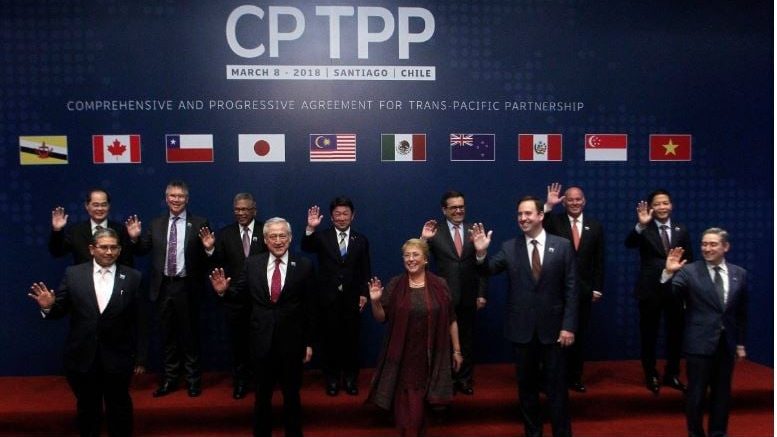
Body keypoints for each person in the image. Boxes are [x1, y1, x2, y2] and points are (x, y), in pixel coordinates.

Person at [472, 196, 577, 437]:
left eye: (528, 213)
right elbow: (488, 269)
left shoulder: (562, 245)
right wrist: (481, 253)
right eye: (520, 214)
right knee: (527, 389)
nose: (523, 218)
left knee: (557, 389)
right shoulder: (510, 247)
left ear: (540, 215)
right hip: (521, 331)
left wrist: (569, 326)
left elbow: (571, 289)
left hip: (555, 331)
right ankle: (533, 433)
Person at [29, 228, 144, 437]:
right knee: (88, 408)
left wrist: (140, 358)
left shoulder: (133, 277)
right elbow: (60, 310)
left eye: (114, 248)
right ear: (92, 249)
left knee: (119, 407)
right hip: (82, 356)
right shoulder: (73, 274)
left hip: (118, 357)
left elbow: (139, 320)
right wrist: (48, 307)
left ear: (120, 250)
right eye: (104, 247)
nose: (109, 252)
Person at [210, 217, 315, 437]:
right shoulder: (253, 264)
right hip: (261, 342)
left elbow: (310, 307)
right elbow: (238, 295)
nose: (278, 240)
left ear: (290, 238)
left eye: (282, 235)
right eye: (273, 236)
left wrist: (308, 342)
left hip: (292, 343)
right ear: (265, 240)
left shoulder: (304, 265)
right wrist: (223, 292)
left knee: (292, 396)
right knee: (262, 396)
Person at [367, 238, 463, 437]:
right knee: (408, 410)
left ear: (425, 259)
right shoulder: (395, 284)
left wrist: (457, 350)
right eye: (407, 255)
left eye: (415, 255)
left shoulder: (440, 285)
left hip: (431, 356)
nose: (410, 259)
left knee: (422, 412)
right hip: (403, 357)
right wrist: (375, 302)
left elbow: (451, 319)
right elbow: (381, 318)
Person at [125, 180, 213, 397]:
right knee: (167, 337)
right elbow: (142, 250)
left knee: (190, 337)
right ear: (166, 199)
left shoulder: (200, 222)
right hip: (163, 287)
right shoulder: (156, 224)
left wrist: (209, 249)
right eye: (172, 196)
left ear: (187, 199)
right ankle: (170, 380)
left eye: (180, 196)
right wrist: (134, 239)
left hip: (187, 287)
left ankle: (193, 381)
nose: (176, 200)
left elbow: (207, 259)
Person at [662, 228, 747, 437]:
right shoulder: (689, 271)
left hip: (725, 344)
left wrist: (740, 344)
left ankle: (718, 433)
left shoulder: (739, 274)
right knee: (696, 394)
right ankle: (695, 434)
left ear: (725, 247)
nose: (707, 248)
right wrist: (668, 274)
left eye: (713, 244)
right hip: (699, 343)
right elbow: (671, 299)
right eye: (704, 244)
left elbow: (741, 313)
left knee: (722, 394)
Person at [625, 189, 693, 394]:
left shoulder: (682, 230)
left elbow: (689, 260)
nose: (662, 207)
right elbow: (629, 243)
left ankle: (672, 374)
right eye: (657, 204)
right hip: (650, 289)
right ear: (651, 208)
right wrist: (640, 225)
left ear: (671, 205)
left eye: (665, 203)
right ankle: (651, 374)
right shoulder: (645, 228)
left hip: (675, 290)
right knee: (649, 334)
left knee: (675, 334)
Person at [301, 197, 372, 396]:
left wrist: (364, 293)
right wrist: (310, 227)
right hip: (327, 299)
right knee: (329, 341)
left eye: (345, 213)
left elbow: (365, 269)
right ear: (331, 217)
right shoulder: (322, 237)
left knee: (351, 342)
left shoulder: (361, 240)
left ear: (353, 215)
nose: (341, 218)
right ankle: (331, 379)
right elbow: (306, 246)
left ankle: (350, 379)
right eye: (337, 214)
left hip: (352, 299)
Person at [420, 190, 488, 395]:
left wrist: (481, 293)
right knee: (443, 341)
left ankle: (464, 379)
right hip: (443, 296)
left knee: (467, 339)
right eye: (454, 207)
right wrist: (423, 239)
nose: (459, 210)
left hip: (469, 296)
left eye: (461, 206)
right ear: (444, 210)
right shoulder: (435, 231)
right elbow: (418, 259)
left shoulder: (474, 230)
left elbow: (482, 266)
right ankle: (446, 380)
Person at [542, 183, 604, 393]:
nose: (575, 203)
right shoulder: (554, 221)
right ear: (564, 202)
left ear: (584, 201)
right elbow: (537, 225)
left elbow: (599, 260)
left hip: (584, 291)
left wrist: (597, 287)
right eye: (570, 199)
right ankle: (552, 378)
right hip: (556, 290)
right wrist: (548, 207)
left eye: (578, 199)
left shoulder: (595, 226)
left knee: (579, 335)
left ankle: (575, 377)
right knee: (554, 336)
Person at [208, 193, 267, 399]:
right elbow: (217, 262)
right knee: (239, 344)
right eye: (237, 209)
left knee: (262, 344)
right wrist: (210, 250)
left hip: (262, 299)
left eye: (245, 209)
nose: (241, 213)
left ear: (254, 210)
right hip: (235, 299)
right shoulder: (225, 234)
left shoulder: (266, 230)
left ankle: (262, 381)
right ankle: (241, 382)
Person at [49, 188, 134, 266]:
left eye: (104, 205)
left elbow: (127, 260)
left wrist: (134, 238)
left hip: (113, 276)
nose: (100, 209)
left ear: (109, 206)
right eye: (96, 205)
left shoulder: (120, 230)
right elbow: (57, 252)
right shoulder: (76, 230)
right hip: (83, 276)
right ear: (87, 206)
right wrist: (57, 230)